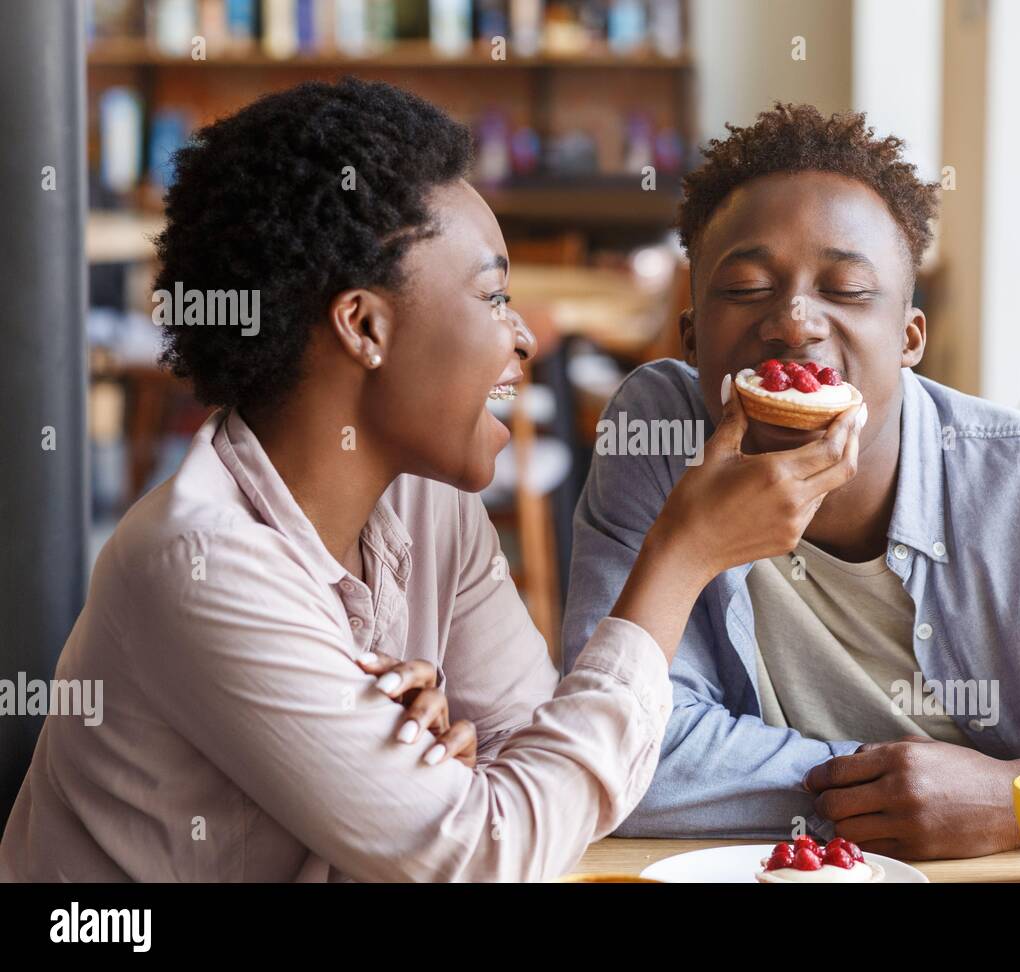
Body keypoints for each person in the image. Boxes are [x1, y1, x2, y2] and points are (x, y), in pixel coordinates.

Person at [0, 81, 862, 882]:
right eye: (492, 299)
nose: (523, 338)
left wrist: (458, 762)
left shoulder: (427, 502)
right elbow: (486, 854)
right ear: (364, 326)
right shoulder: (202, 562)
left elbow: (545, 764)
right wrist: (680, 559)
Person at [561, 103, 1020, 857]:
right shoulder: (664, 438)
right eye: (747, 288)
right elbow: (618, 753)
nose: (793, 322)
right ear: (691, 337)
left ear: (910, 337)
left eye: (847, 289)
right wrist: (884, 796)